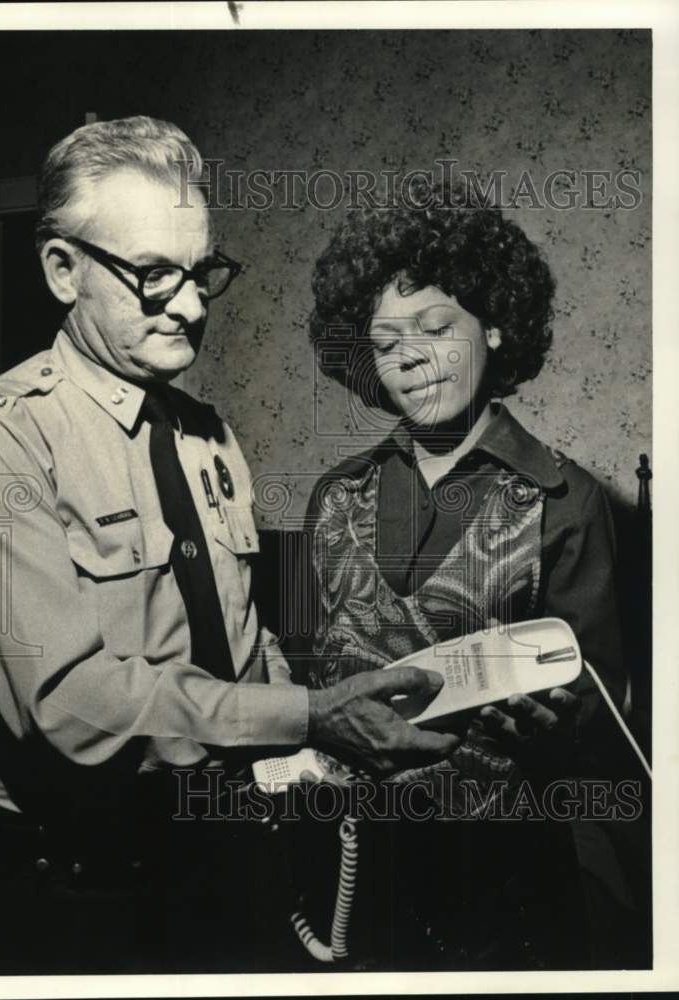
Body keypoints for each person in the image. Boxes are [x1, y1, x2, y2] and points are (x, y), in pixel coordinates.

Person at [0, 117, 460, 975]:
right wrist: (310, 716)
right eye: (154, 275)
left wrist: (304, 733)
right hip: (66, 899)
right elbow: (72, 709)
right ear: (63, 270)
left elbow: (241, 634)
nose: (195, 304)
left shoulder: (208, 435)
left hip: (218, 860)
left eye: (202, 271)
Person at [303, 177, 630, 969]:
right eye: (385, 343)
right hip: (358, 864)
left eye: (435, 327)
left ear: (493, 327)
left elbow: (602, 715)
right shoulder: (335, 496)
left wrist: (554, 730)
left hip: (508, 874)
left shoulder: (566, 499)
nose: (409, 356)